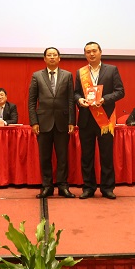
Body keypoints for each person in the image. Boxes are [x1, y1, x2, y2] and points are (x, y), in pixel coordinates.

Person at [74, 41, 125, 200]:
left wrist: (104, 99)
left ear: (100, 52)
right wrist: (79, 100)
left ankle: (107, 188)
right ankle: (88, 188)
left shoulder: (111, 70)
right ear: (85, 54)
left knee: (106, 155)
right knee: (87, 156)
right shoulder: (80, 72)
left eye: (94, 51)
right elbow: (76, 93)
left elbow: (120, 91)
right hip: (86, 119)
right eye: (88, 51)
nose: (91, 54)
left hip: (105, 120)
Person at [28, 47, 76, 199]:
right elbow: (31, 101)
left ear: (59, 58)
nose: (52, 57)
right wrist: (34, 122)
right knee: (45, 157)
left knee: (63, 157)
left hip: (63, 121)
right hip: (43, 122)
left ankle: (63, 186)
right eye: (49, 55)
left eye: (55, 55)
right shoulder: (37, 76)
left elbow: (70, 100)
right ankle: (47, 186)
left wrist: (71, 121)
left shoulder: (67, 75)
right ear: (44, 58)